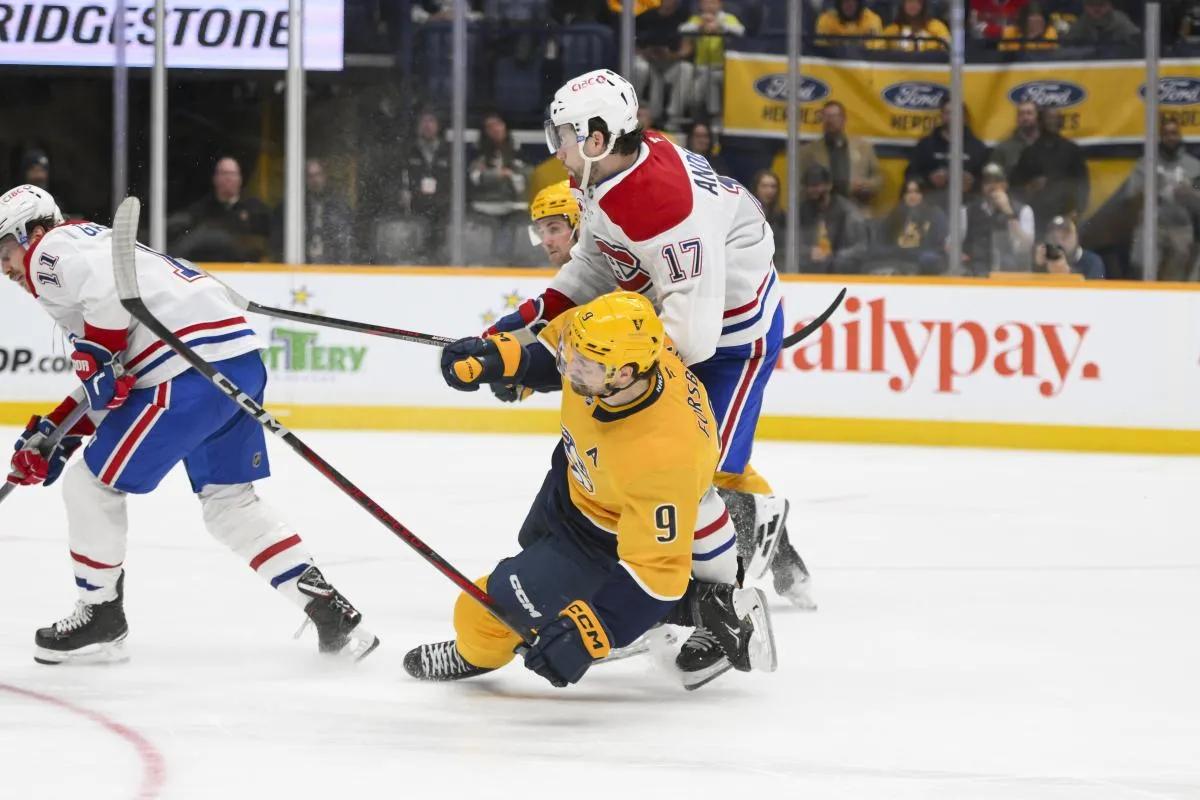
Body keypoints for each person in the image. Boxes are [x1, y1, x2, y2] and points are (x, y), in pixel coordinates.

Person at [487, 71, 817, 647]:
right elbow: (593, 267)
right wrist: (525, 324)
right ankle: (734, 540)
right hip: (675, 322)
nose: (553, 147)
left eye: (560, 135)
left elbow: (691, 340)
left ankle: (727, 601)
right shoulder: (607, 174)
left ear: (595, 138)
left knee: (690, 475)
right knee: (639, 462)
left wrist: (559, 361)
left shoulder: (666, 207)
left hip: (731, 344)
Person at [0, 184, 378, 665]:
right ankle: (332, 615)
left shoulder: (51, 250)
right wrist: (57, 432)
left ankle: (100, 614)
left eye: (5, 251)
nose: (6, 267)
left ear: (32, 232)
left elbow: (109, 317)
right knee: (228, 503)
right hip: (235, 361)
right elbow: (114, 376)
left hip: (185, 376)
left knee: (90, 487)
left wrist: (95, 359)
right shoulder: (89, 246)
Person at [404, 292, 777, 687]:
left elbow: (655, 572)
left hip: (600, 538)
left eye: (584, 365)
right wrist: (501, 361)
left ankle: (709, 609)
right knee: (531, 544)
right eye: (572, 355)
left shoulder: (662, 455)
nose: (570, 368)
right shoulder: (606, 344)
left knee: (482, 611)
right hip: (577, 483)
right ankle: (686, 604)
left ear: (624, 374)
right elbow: (555, 353)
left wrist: (589, 635)